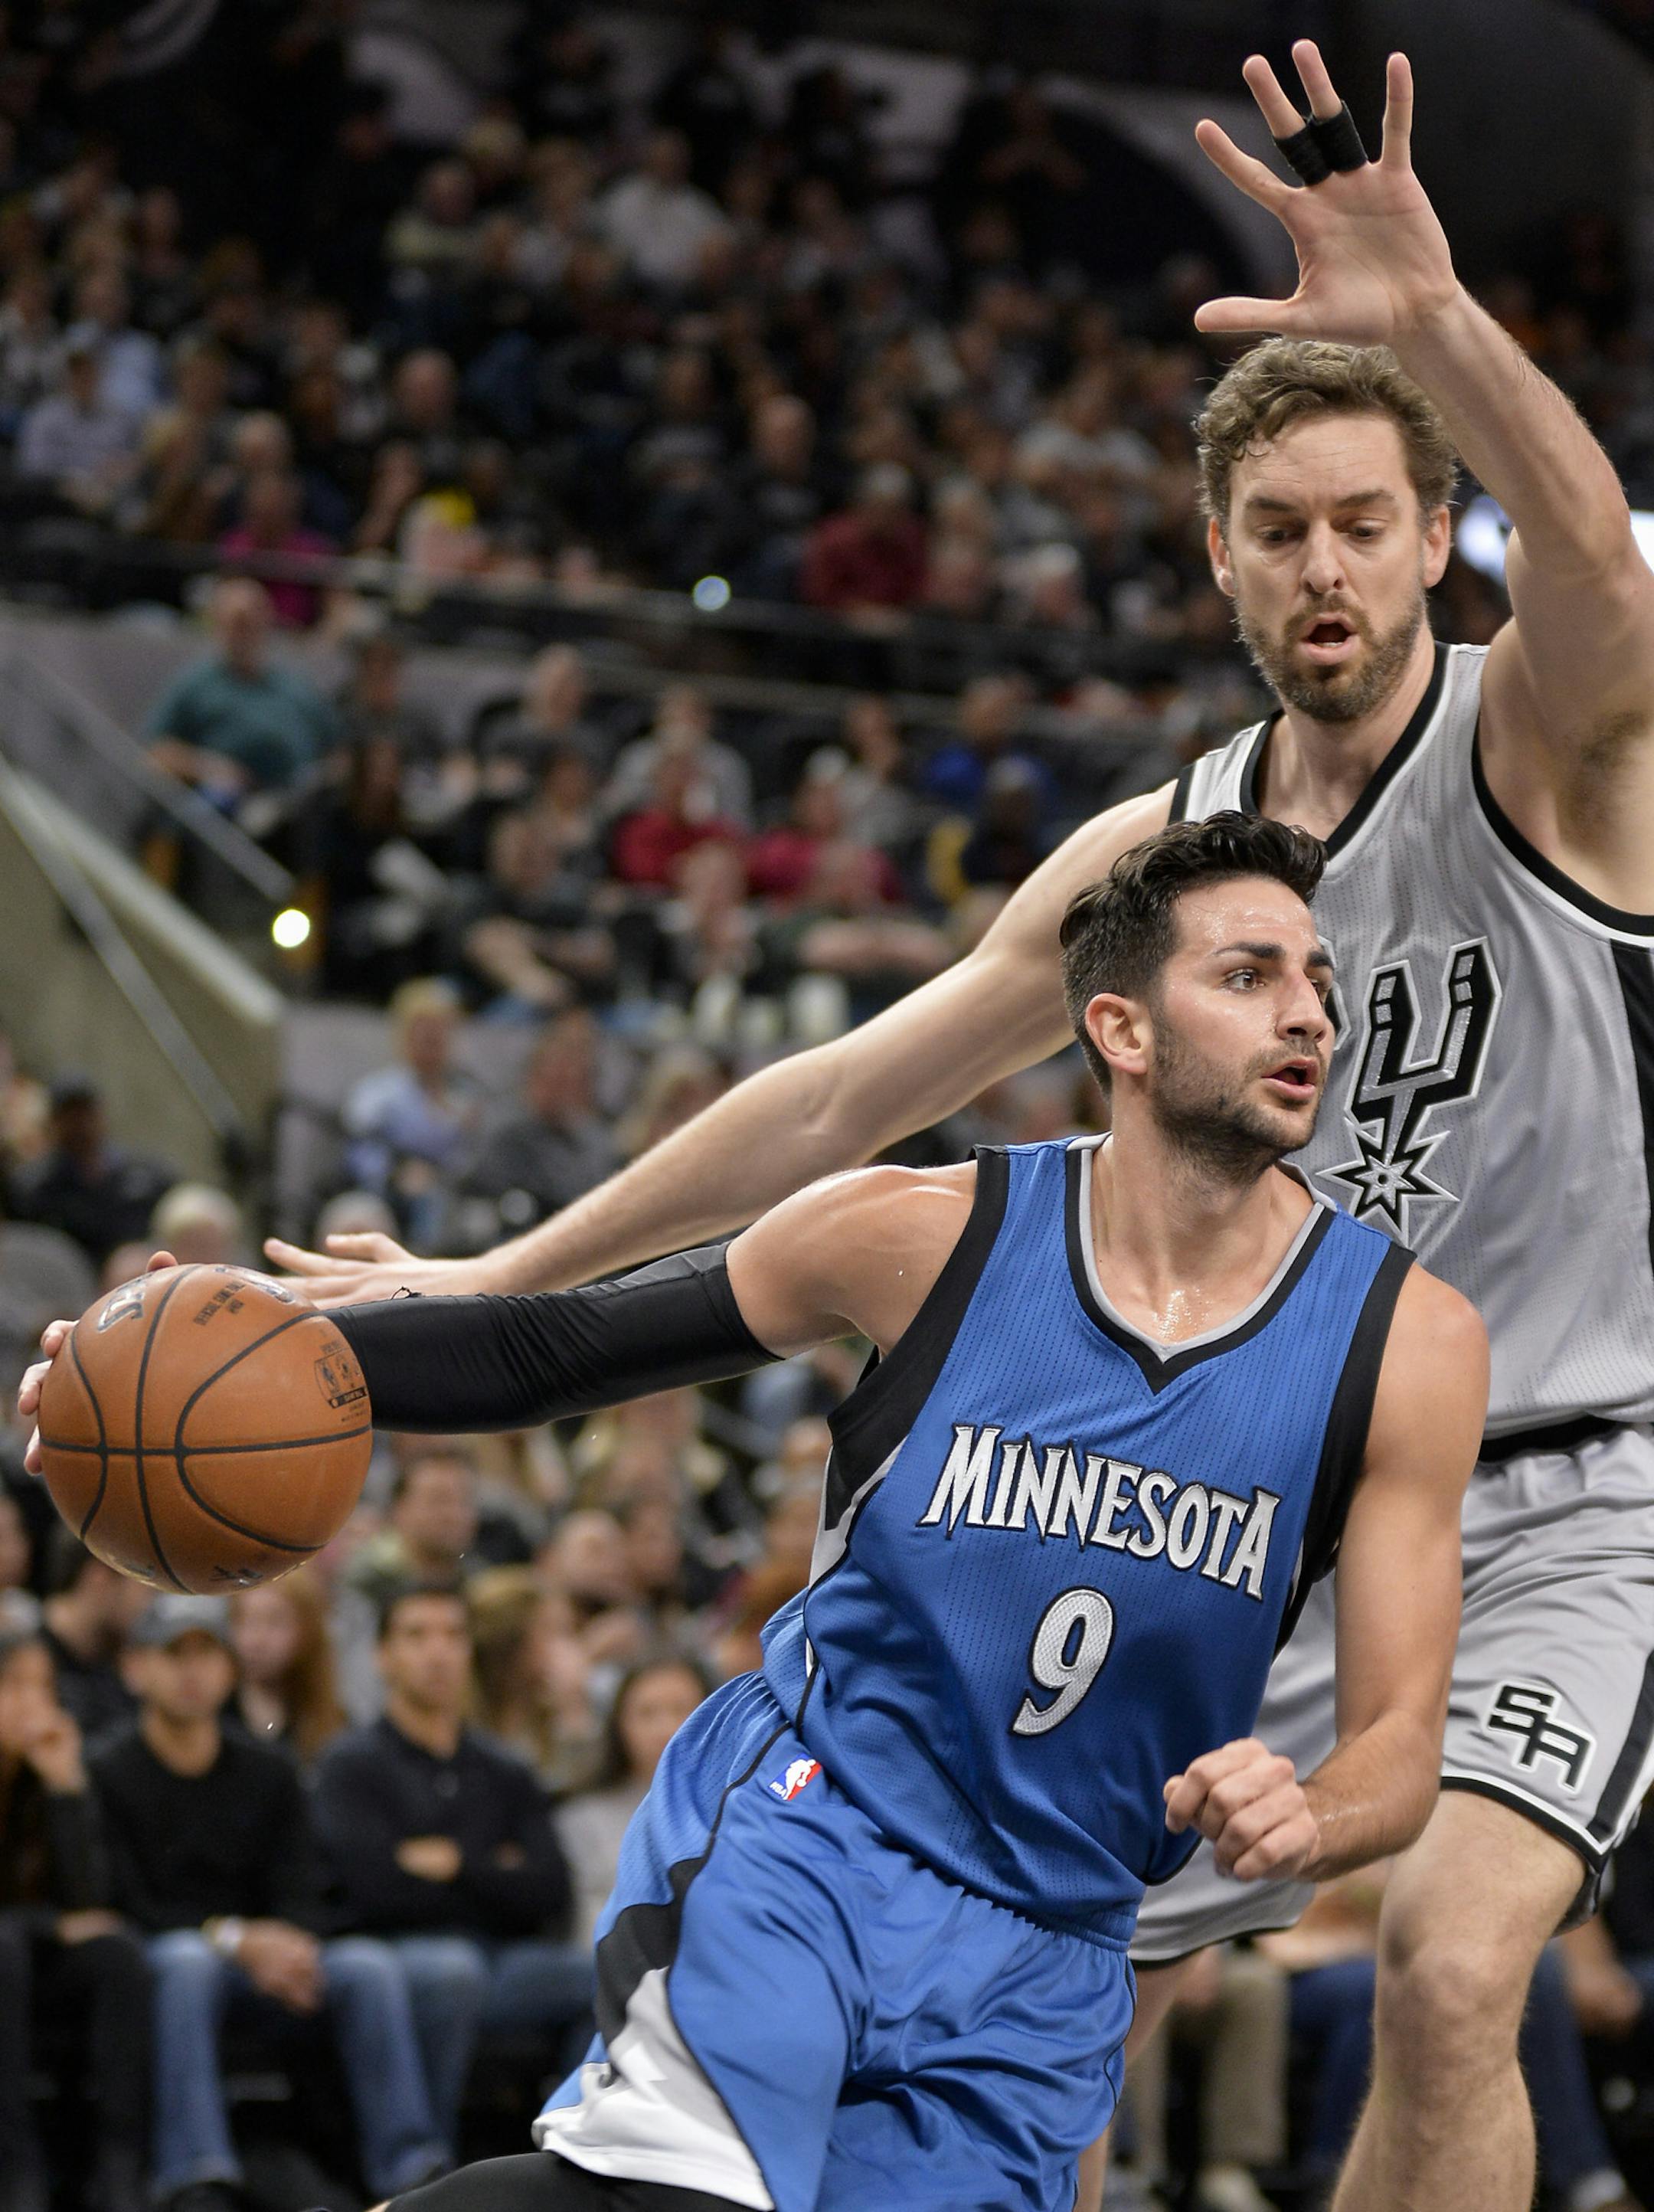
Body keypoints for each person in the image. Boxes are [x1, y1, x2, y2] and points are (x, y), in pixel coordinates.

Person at [266, 44, 1654, 2212]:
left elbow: (1600, 566)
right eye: (1277, 530)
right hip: (1277, 1502)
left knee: (1450, 1962)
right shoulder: (1167, 861)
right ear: (1215, 559)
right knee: (1061, 1985)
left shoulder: (1550, 748)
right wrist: (494, 1270)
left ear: (1423, 551)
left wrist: (1441, 326)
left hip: (1579, 1487)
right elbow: (838, 1093)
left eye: (1367, 526)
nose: (1324, 570)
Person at [222, 813, 1484, 2211]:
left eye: (1314, 976)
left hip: (1055, 1941)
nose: (1307, 1011)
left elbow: (1403, 1745)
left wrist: (1311, 1810)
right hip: (820, 1832)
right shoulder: (922, 1232)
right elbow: (550, 1352)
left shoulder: (1406, 1340)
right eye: (1249, 975)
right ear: (1122, 1030)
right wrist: (249, 1342)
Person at [90, 1595, 449, 2212]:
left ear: (231, 1669)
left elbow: (304, 1886)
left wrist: (287, 1943)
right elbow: (123, 1903)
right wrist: (235, 1940)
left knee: (367, 1968)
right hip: (176, 1958)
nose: (193, 1672)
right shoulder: (107, 1769)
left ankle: (411, 2169)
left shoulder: (268, 1770)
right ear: (136, 1669)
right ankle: (196, 2173)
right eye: (175, 1654)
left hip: (268, 1961)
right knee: (184, 1962)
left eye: (208, 1654)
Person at [312, 1583, 592, 2158]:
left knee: (603, 1976)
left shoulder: (503, 1767)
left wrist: (457, 1865)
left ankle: (573, 2155)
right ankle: (417, 2166)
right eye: (416, 1636)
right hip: (395, 1960)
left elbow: (549, 1891)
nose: (437, 1653)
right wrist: (495, 1874)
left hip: (503, 1963)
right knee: (450, 1970)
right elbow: (374, 1894)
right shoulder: (351, 1765)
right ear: (381, 1655)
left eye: (452, 1636)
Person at [0, 1625, 149, 2212]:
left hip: (29, 1957)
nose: (34, 1704)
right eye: (14, 1685)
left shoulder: (57, 1770)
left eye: (44, 1686)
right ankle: (16, 2170)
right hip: (11, 1951)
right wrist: (48, 1928)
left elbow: (92, 1902)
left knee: (118, 1954)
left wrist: (65, 1789)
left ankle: (119, 2170)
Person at [555, 1654, 709, 1949]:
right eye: (647, 1713)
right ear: (619, 1725)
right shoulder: (581, 1816)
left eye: (681, 1710)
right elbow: (588, 1924)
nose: (665, 1729)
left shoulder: (744, 1809)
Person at [144, 578, 339, 803]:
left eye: (252, 621)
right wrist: (207, 767)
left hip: (297, 803)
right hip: (229, 805)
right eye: (237, 622)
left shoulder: (297, 686)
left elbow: (338, 750)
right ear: (218, 624)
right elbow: (155, 752)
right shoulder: (196, 684)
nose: (246, 631)